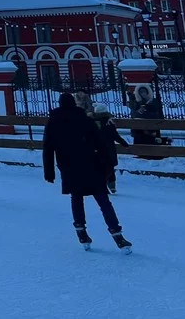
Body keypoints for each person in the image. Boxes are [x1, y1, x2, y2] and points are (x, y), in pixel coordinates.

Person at [43, 92, 132, 253]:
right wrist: (108, 165)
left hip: (69, 166)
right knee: (103, 200)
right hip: (91, 163)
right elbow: (100, 143)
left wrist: (49, 172)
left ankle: (81, 231)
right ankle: (117, 233)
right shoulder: (84, 119)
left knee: (77, 198)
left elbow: (47, 148)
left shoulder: (54, 121)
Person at [94, 104, 129, 194]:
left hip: (97, 149)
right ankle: (110, 185)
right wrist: (124, 143)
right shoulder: (109, 122)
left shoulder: (93, 122)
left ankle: (103, 184)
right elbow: (115, 135)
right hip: (108, 149)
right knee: (110, 167)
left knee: (101, 167)